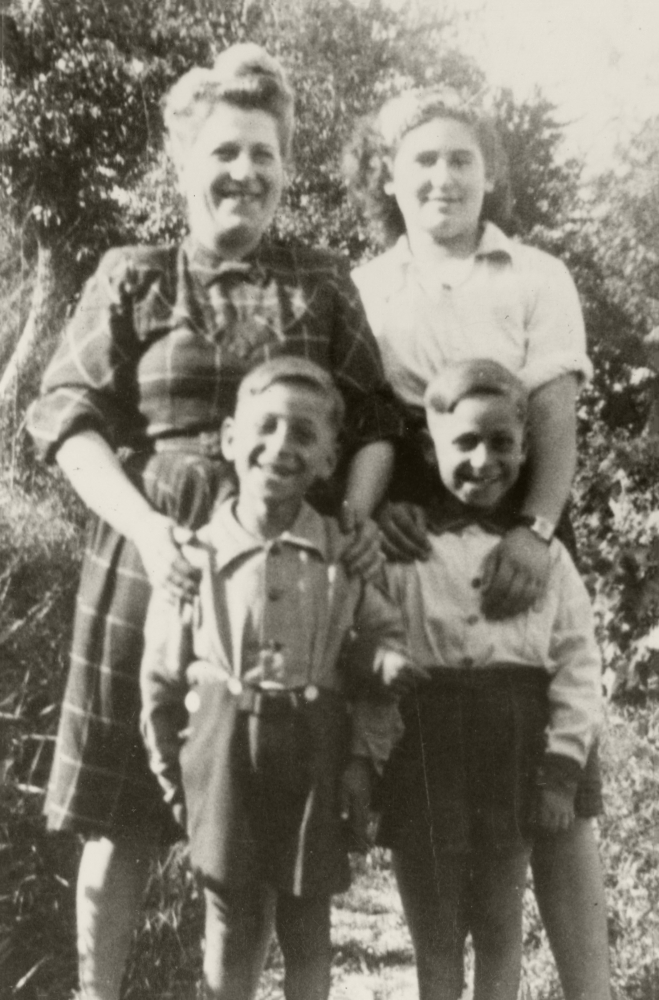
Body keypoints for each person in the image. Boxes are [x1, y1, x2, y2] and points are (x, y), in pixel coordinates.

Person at [27, 45, 403, 1000]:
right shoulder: (133, 275)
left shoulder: (320, 282)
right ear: (184, 164)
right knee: (125, 822)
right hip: (151, 564)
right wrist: (149, 531)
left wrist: (353, 522)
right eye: (225, 151)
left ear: (286, 167)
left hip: (285, 579)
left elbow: (376, 423)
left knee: (265, 822)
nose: (245, 172)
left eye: (265, 154)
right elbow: (64, 418)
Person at [344, 87, 611, 1000]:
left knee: (557, 784)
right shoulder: (369, 286)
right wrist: (378, 514)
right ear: (390, 179)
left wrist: (537, 534)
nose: (443, 177)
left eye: (460, 158)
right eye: (421, 161)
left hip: (522, 516)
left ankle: (592, 986)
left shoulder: (535, 274)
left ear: (489, 172)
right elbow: (364, 428)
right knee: (437, 782)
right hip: (418, 531)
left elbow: (553, 425)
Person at [140, 357, 412, 1000]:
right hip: (222, 752)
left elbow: (384, 645)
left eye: (304, 434)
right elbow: (160, 678)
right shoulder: (195, 557)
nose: (282, 446)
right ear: (231, 439)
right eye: (266, 427)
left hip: (314, 751)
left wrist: (362, 758)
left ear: (328, 459)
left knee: (307, 922)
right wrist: (174, 773)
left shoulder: (342, 555)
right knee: (231, 920)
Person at [378, 358, 603, 1000]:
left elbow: (578, 671)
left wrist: (561, 772)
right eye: (465, 443)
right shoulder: (408, 555)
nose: (484, 460)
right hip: (426, 753)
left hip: (512, 758)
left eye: (502, 442)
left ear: (527, 447)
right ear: (430, 448)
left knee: (501, 930)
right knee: (437, 935)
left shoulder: (548, 561)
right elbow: (374, 657)